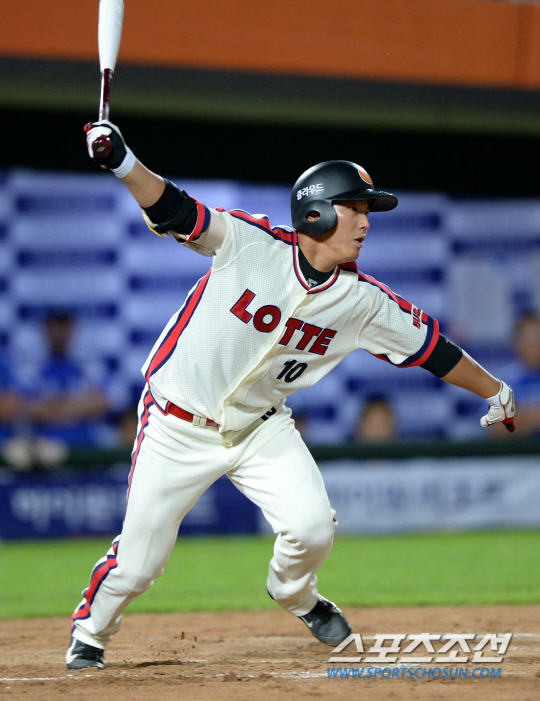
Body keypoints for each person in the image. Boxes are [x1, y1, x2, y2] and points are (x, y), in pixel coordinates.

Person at [66, 120, 516, 671]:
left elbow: (433, 351)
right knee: (138, 565)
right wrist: (122, 161)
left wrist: (495, 390)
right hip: (176, 423)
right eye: (355, 208)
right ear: (316, 213)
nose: (365, 221)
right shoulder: (250, 243)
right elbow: (174, 209)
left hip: (260, 426)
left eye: (368, 210)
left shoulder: (363, 301)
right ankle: (89, 634)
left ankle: (295, 593)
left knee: (312, 527)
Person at [26, 311, 111, 448]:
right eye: (54, 327)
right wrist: (77, 406)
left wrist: (55, 408)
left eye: (64, 327)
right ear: (45, 330)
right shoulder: (31, 366)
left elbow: (103, 402)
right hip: (43, 445)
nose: (59, 333)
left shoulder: (89, 365)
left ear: (72, 330)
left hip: (86, 443)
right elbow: (25, 407)